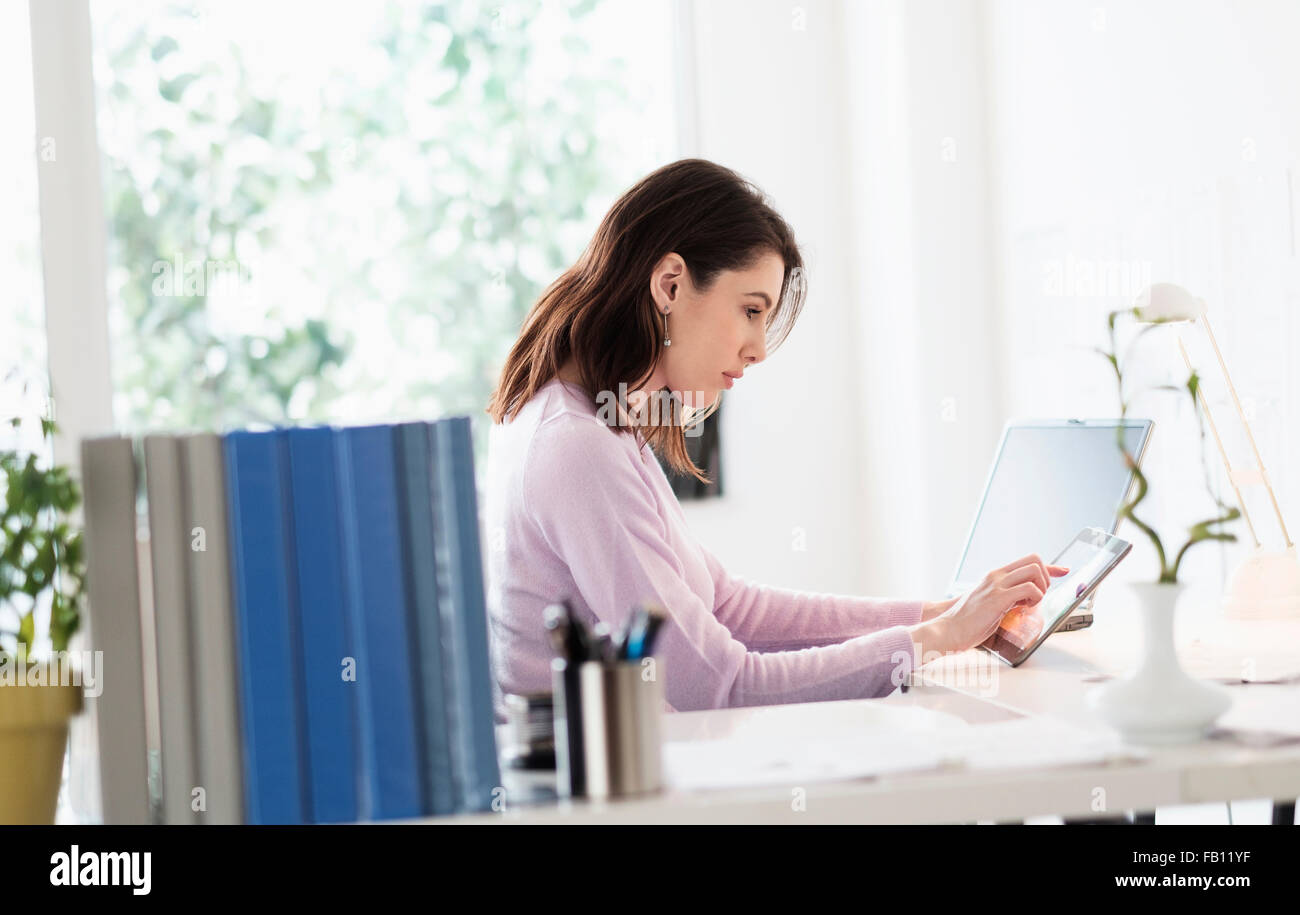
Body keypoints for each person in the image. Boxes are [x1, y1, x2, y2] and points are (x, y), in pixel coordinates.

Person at [483, 158, 1066, 718]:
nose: (759, 347)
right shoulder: (578, 447)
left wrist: (943, 616)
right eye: (750, 309)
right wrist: (934, 638)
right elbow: (716, 684)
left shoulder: (593, 419)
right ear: (670, 285)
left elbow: (727, 606)